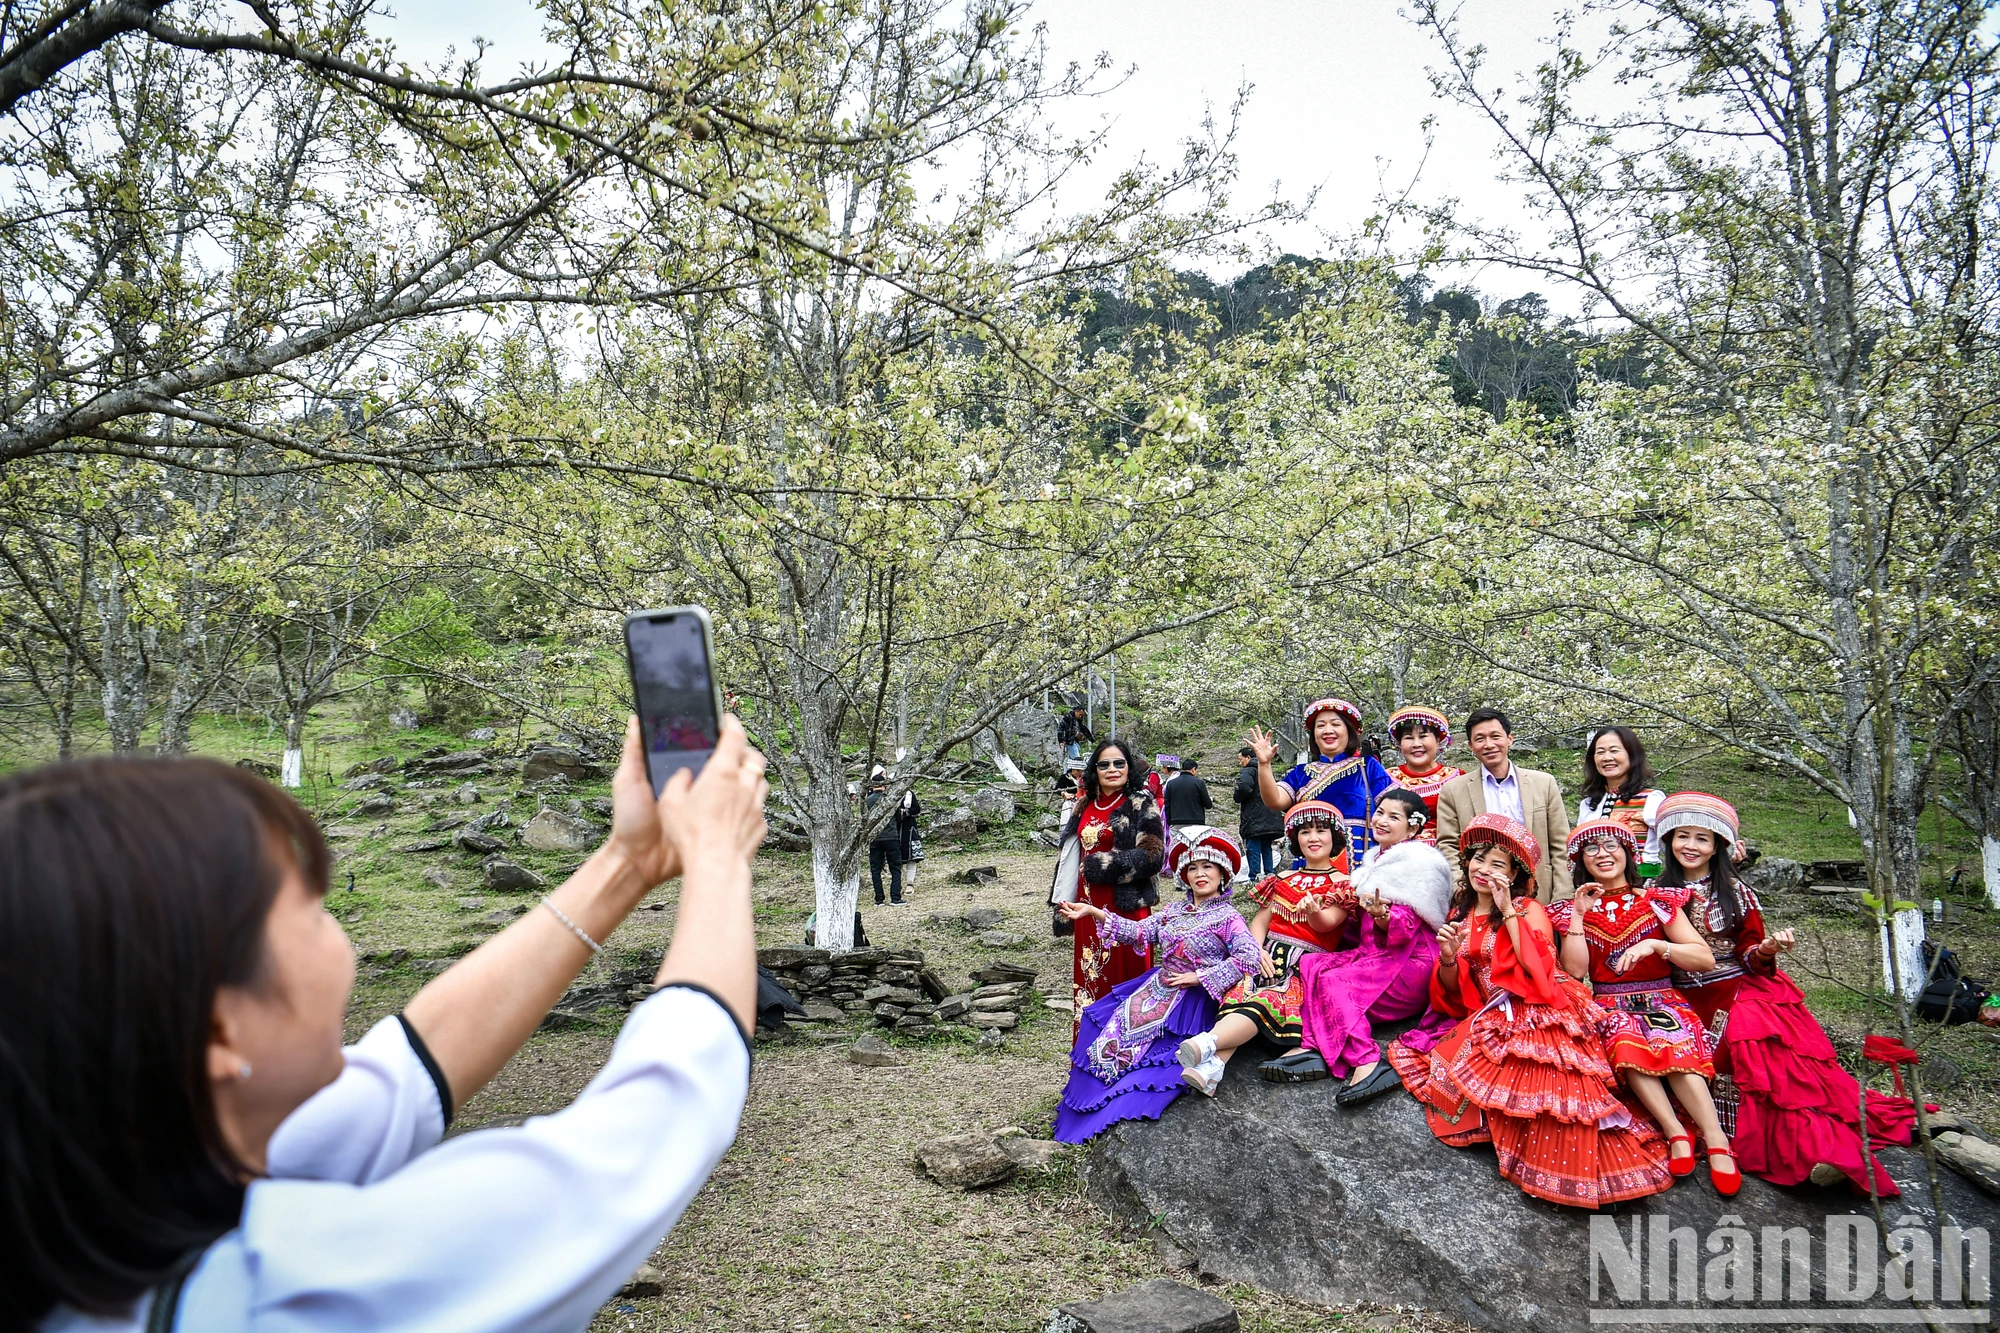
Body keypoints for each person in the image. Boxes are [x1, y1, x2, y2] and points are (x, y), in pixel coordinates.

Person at [8, 715, 767, 1332]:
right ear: (216, 1034)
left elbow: (402, 1074)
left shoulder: (111, 1195)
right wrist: (719, 859)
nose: (338, 937)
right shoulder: (292, 1297)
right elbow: (641, 1138)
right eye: (309, 909)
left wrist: (629, 862)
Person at [1385, 814, 1672, 1210]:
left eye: (1497, 864)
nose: (1483, 870)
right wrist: (1448, 958)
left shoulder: (1527, 907)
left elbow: (1538, 968)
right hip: (1489, 1011)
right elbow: (1453, 994)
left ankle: (1572, 1172)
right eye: (1479, 859)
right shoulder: (1460, 915)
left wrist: (1508, 910)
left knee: (1550, 1086)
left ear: (1515, 874)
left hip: (1539, 1004)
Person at [1656, 793, 1899, 1196]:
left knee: (1756, 1050)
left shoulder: (1735, 891)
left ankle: (1814, 1152)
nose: (1691, 846)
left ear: (1718, 846)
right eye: (1683, 836)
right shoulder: (1652, 889)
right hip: (1678, 995)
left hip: (1736, 986)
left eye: (1703, 838)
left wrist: (1766, 950)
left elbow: (1749, 955)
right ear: (1669, 840)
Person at [1552, 819, 1740, 1196]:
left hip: (1661, 996)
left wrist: (1657, 947)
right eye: (1591, 849)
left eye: (1610, 846)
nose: (1602, 854)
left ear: (1628, 852)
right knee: (1624, 1039)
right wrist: (1577, 915)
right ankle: (1675, 1133)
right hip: (1608, 1002)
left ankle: (1717, 1141)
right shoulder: (1570, 910)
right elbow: (1575, 970)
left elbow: (1703, 958)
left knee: (1670, 1040)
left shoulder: (1657, 901)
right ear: (1580, 861)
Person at [1052, 828, 1262, 1141]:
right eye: (1192, 868)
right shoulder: (1174, 912)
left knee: (1155, 1067)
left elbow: (1248, 958)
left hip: (1192, 1001)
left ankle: (1119, 1113)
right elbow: (1138, 932)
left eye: (1208, 867)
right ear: (1184, 876)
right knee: (1099, 1024)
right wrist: (1093, 911)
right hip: (1154, 989)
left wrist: (1200, 977)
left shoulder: (1229, 917)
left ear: (1223, 874)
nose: (1200, 874)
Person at [1267, 788, 1455, 1101]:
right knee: (1312, 964)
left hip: (1409, 962)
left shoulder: (1422, 863)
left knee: (1337, 983)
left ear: (1413, 827)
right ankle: (1314, 1047)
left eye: (1394, 817)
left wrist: (1382, 915)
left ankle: (1367, 1061)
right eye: (1380, 812)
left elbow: (1404, 929)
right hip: (1377, 955)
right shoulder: (1372, 862)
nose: (1382, 820)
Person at [1179, 802, 1352, 1093]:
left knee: (1265, 1000)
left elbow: (1328, 924)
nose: (1313, 837)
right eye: (1305, 831)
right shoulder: (1282, 879)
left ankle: (1208, 1043)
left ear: (1334, 837)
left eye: (1321, 831)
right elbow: (1260, 922)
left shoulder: (1343, 883)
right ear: (1295, 838)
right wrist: (1256, 951)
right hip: (1268, 954)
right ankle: (1213, 1068)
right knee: (1239, 994)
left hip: (1306, 961)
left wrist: (1313, 912)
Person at [1047, 739, 1165, 1027]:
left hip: (1124, 908)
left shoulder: (1140, 803)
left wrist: (1105, 865)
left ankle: (1125, 1058)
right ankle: (1088, 1059)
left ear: (1128, 767)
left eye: (1119, 763)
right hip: (1085, 908)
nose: (1112, 769)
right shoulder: (1084, 804)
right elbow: (1071, 855)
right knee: (1090, 983)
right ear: (1094, 770)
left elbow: (1153, 856)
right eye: (1104, 764)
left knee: (1125, 986)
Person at [1434, 707, 1573, 902]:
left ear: (1510, 738)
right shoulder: (1454, 790)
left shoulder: (1543, 783)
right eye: (1480, 739)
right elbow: (1448, 845)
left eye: (1495, 736)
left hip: (1539, 891)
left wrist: (1563, 896)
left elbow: (1561, 845)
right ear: (1470, 745)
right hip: (1481, 895)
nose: (1489, 744)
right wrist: (1463, 890)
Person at [1244, 697, 1395, 864]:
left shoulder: (1367, 767)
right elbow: (1275, 801)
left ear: (1349, 731)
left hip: (1359, 859)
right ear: (1314, 735)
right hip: (1311, 858)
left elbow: (1395, 809)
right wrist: (1264, 764)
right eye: (1321, 725)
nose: (1328, 730)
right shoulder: (1301, 773)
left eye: (1336, 724)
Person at [1577, 725, 1665, 871]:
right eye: (1600, 752)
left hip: (1641, 884)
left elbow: (1672, 845)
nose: (1607, 758)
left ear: (1632, 754)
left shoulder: (1651, 799)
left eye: (1614, 750)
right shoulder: (1588, 804)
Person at [1382, 706, 1467, 834]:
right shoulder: (1385, 778)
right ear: (1399, 744)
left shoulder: (1457, 777)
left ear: (1438, 740)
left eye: (1423, 736)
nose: (1416, 744)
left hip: (1445, 850)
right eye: (1409, 738)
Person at [1233, 745, 1285, 879]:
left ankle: (1254, 876)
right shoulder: (1267, 769)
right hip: (1270, 815)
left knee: (1253, 847)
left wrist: (1237, 797)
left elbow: (1244, 787)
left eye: (1241, 759)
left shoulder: (1249, 770)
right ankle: (1270, 874)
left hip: (1254, 816)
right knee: (1266, 847)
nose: (1240, 763)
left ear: (1248, 757)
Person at [865, 773, 903, 905]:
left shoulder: (867, 801)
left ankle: (879, 899)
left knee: (876, 870)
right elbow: (899, 818)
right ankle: (895, 898)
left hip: (874, 838)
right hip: (891, 836)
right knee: (895, 868)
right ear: (884, 785)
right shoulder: (890, 799)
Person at [1163, 756, 1214, 838]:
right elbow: (1208, 804)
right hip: (1196, 822)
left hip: (1176, 822)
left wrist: (1170, 821)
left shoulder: (1171, 784)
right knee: (1195, 849)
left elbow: (1167, 804)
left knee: (1177, 849)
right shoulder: (1199, 783)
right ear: (1193, 769)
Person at [895, 783, 923, 896]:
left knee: (911, 857)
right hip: (895, 829)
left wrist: (905, 812)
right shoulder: (889, 795)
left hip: (909, 829)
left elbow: (916, 809)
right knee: (897, 858)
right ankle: (897, 884)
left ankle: (910, 883)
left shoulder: (909, 794)